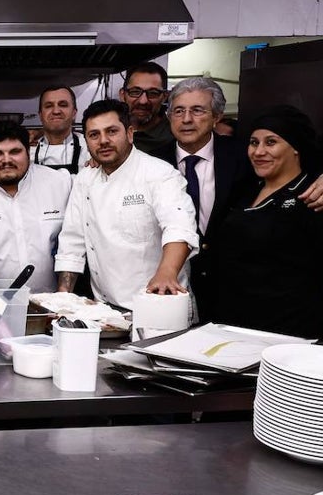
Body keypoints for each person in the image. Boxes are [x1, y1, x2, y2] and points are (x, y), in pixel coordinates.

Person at [54, 99, 198, 311]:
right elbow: (72, 243)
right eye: (94, 135)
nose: (103, 141)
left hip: (158, 304)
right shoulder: (85, 180)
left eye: (111, 131)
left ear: (129, 133)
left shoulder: (159, 173)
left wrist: (166, 273)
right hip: (104, 310)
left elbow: (179, 227)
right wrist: (62, 298)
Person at [213, 106, 323, 339]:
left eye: (271, 142)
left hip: (289, 334)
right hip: (232, 327)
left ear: (296, 148)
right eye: (254, 143)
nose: (259, 151)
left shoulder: (313, 196)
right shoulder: (245, 190)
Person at [151, 77, 250, 323]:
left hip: (233, 287)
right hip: (174, 286)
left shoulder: (245, 155)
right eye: (179, 111)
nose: (186, 119)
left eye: (197, 110)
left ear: (216, 116)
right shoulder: (151, 163)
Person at [0, 121, 72, 293]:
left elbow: (75, 241)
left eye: (15, 152)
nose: (6, 160)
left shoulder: (60, 183)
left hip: (51, 305)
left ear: (28, 153)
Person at [120, 62, 174, 154]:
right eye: (135, 92)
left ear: (165, 97)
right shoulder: (109, 131)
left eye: (153, 93)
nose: (143, 101)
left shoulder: (175, 136)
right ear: (122, 95)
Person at [34, 86, 90, 174]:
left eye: (63, 105)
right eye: (49, 106)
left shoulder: (90, 149)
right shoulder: (27, 152)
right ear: (40, 115)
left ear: (74, 113)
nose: (56, 111)